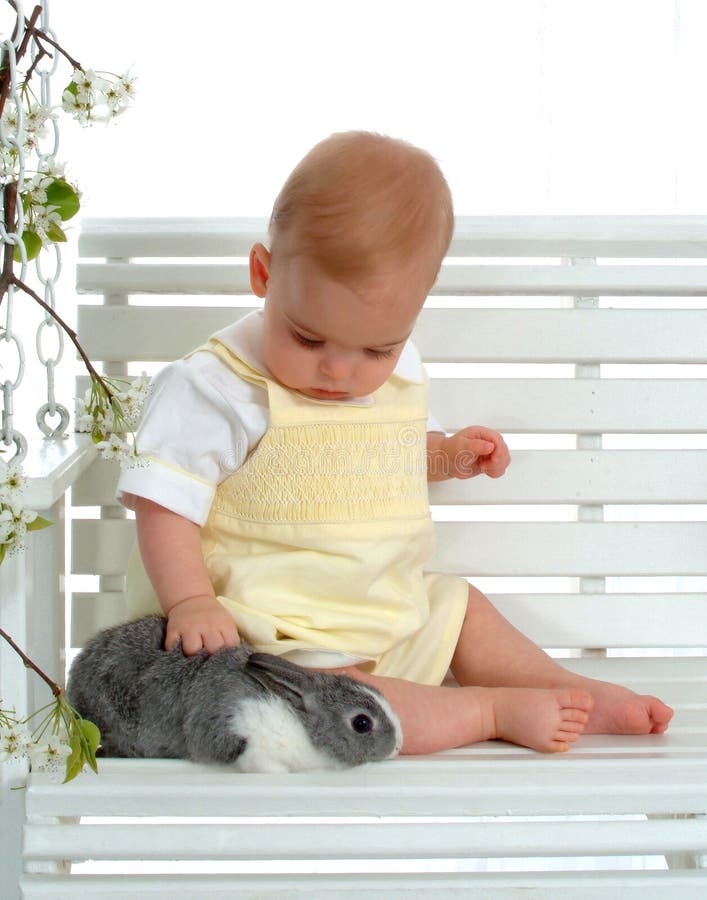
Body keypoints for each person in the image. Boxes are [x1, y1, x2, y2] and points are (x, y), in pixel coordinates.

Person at [117, 131, 673, 755]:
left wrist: (444, 454)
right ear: (263, 274)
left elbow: (376, 455)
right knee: (327, 700)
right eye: (308, 338)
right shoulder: (217, 389)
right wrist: (191, 600)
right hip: (272, 635)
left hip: (383, 608)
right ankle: (487, 710)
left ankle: (565, 688)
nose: (339, 371)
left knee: (460, 608)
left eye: (376, 349)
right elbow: (164, 500)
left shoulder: (398, 369)